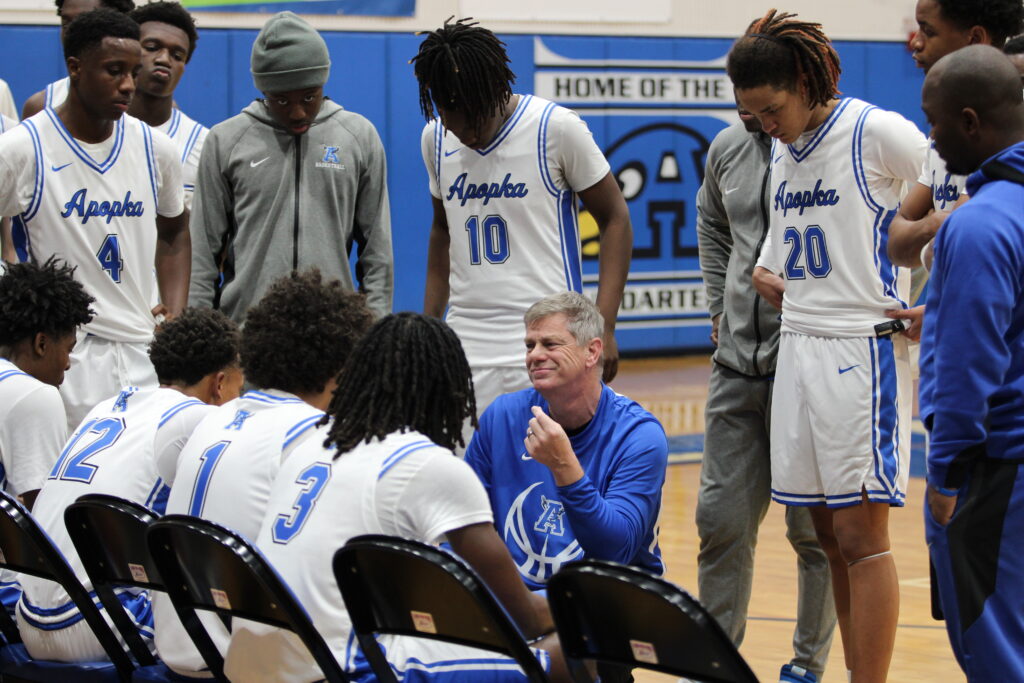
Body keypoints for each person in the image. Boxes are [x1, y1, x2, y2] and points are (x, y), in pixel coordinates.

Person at [732, 10, 927, 681]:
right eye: (749, 114)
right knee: (824, 538)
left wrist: (945, 290)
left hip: (861, 348)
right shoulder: (784, 150)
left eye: (770, 108)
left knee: (861, 538)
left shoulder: (875, 131)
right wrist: (767, 264)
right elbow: (787, 241)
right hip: (800, 347)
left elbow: (962, 187)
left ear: (804, 79)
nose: (763, 124)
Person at [225, 313, 569, 683]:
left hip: (250, 662)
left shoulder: (311, 446)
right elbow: (525, 616)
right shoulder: (428, 464)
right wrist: (586, 609)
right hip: (333, 668)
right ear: (448, 388)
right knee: (570, 646)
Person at [154, 269, 373, 678]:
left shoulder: (215, 418)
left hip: (175, 641)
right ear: (342, 364)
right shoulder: (313, 434)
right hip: (231, 654)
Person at [412, 18, 633, 417]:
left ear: (497, 90)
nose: (464, 132)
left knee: (545, 474)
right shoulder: (435, 139)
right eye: (449, 116)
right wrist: (429, 330)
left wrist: (605, 325)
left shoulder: (556, 129)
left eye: (473, 119)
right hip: (467, 343)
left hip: (549, 341)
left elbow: (615, 218)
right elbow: (442, 230)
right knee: (470, 476)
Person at [696, 104, 835, 683]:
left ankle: (806, 666)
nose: (747, 107)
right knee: (719, 521)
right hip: (734, 367)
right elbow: (711, 224)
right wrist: (717, 306)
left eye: (760, 95)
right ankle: (715, 664)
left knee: (812, 531)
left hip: (804, 367)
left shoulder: (837, 148)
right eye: (738, 92)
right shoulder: (728, 146)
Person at [16, 307, 242, 663]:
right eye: (238, 387)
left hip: (27, 618)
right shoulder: (200, 417)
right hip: (96, 622)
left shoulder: (108, 406)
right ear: (219, 382)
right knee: (239, 625)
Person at [0, 8, 189, 430]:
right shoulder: (22, 148)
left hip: (143, 348)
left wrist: (174, 314)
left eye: (132, 72)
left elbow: (175, 232)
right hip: (62, 354)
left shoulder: (157, 149)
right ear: (75, 67)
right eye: (114, 71)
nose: (128, 84)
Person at [919, 44, 1024, 681]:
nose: (929, 138)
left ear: (969, 121)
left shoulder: (979, 224)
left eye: (933, 123)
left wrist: (947, 475)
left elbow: (968, 367)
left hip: (996, 470)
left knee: (995, 645)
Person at [188, 11, 392, 322]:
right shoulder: (226, 140)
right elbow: (202, 254)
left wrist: (375, 331)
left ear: (323, 82)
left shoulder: (358, 137)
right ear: (263, 91)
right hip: (248, 333)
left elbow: (377, 252)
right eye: (281, 101)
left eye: (309, 97)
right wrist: (201, 340)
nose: (298, 113)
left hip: (333, 335)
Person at [465, 292, 667, 589]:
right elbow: (464, 521)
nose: (534, 355)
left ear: (592, 351)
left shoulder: (639, 436)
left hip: (605, 600)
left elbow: (614, 551)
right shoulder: (502, 416)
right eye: (529, 345)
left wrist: (564, 468)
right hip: (516, 600)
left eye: (549, 344)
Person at [888, 0, 1023, 273]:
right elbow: (896, 246)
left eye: (929, 31)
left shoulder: (1006, 131)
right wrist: (933, 224)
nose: (916, 43)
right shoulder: (948, 126)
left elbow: (960, 247)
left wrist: (930, 234)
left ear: (974, 39)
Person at [0, 258, 93, 514]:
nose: (67, 364)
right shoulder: (33, 395)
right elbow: (46, 516)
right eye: (68, 350)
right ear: (41, 344)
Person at [128, 1, 206, 211]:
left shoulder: (203, 144)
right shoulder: (97, 130)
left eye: (177, 55)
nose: (164, 59)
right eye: (152, 48)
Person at [21, 0, 136, 120]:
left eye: (86, 25)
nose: (72, 34)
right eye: (66, 24)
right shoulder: (41, 105)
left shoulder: (144, 105)